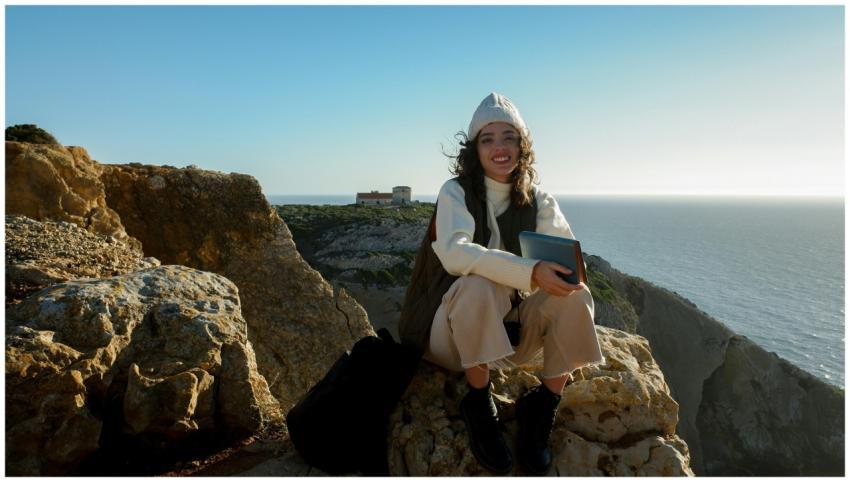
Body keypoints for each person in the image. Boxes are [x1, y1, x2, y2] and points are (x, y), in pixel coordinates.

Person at [398, 92, 605, 475]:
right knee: (479, 284)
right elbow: (455, 253)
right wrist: (529, 271)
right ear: (474, 149)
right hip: (452, 337)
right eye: (488, 138)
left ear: (522, 145)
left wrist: (555, 275)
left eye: (509, 137)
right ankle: (479, 401)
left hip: (511, 336)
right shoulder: (455, 193)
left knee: (574, 294)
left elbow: (565, 263)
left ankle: (543, 405)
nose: (499, 147)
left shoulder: (540, 201)